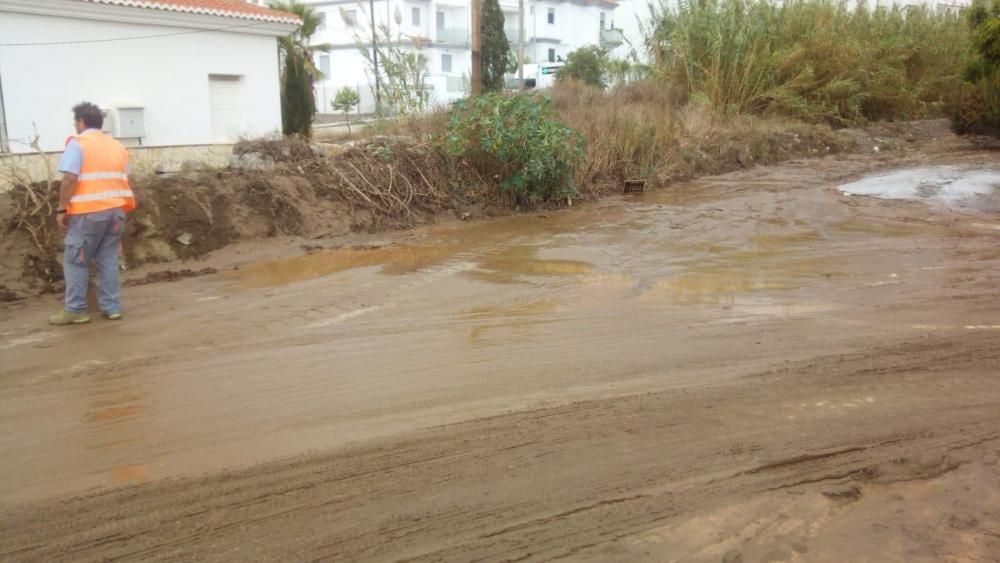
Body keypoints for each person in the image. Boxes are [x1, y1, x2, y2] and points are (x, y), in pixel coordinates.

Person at [49, 102, 136, 326]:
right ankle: (112, 307)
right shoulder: (117, 146)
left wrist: (61, 208)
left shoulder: (79, 144)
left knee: (76, 261)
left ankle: (76, 310)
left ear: (81, 122)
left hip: (88, 214)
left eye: (75, 122)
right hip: (116, 212)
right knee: (108, 260)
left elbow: (69, 179)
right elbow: (121, 176)